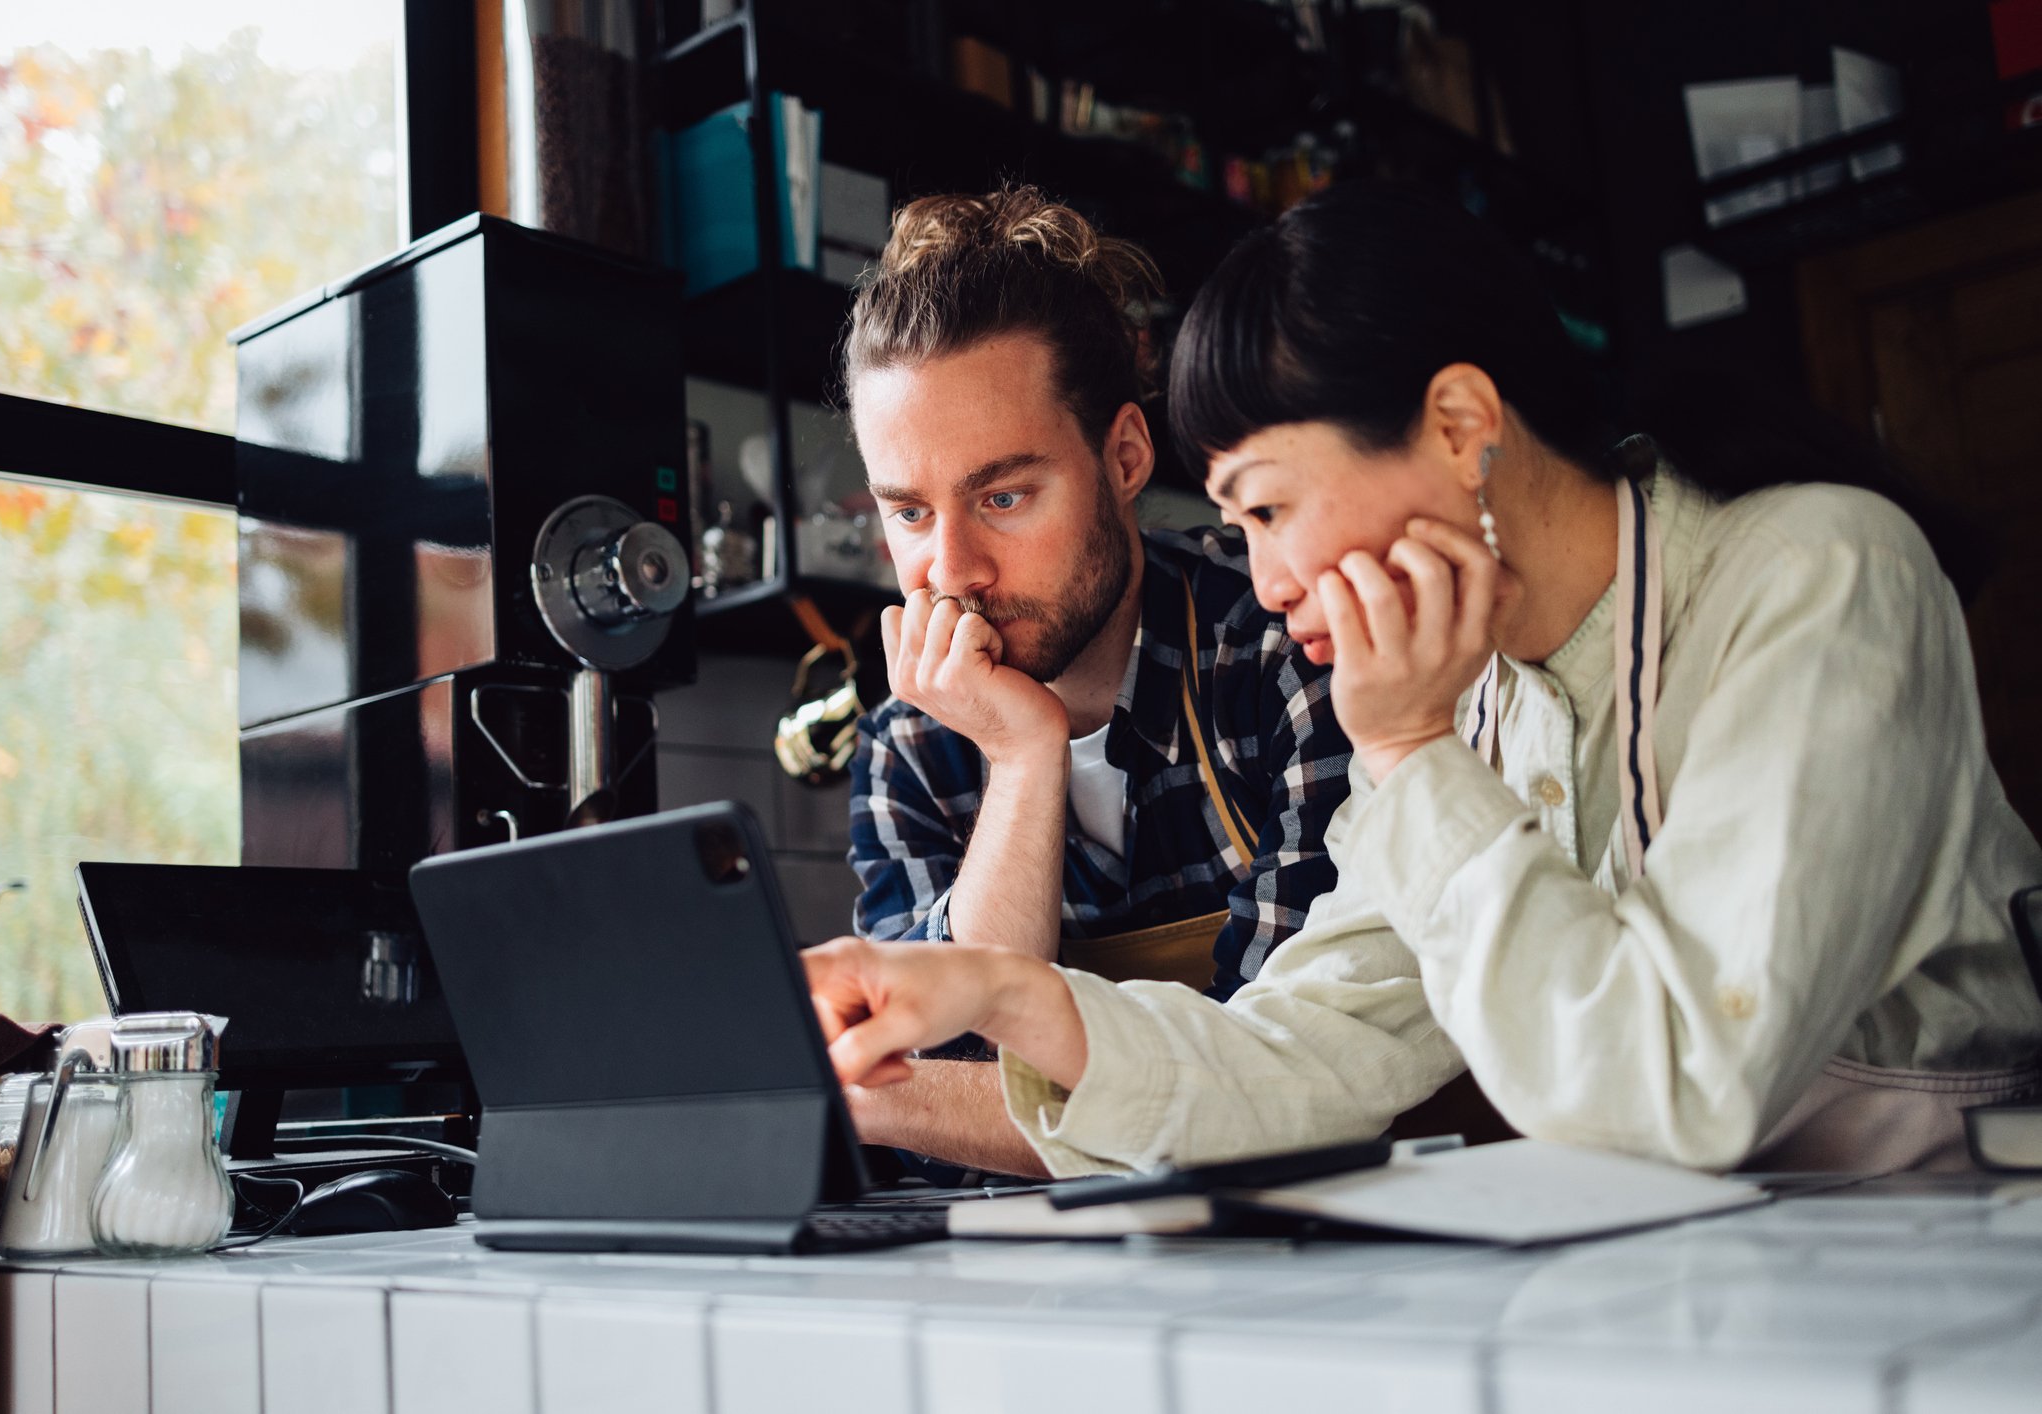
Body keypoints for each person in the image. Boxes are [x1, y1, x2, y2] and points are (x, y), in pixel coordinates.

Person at [806, 182, 2042, 1176]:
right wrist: (992, 988)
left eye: (1273, 508)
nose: (1271, 582)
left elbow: (1686, 1088)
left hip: (1950, 1239)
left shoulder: (1817, 573)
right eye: (1242, 532)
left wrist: (1405, 752)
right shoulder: (1479, 689)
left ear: (1457, 426)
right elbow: (1303, 1055)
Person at [839, 188, 1353, 1177]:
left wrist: (903, 1103)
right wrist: (1022, 758)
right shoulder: (906, 743)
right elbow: (952, 1082)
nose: (950, 569)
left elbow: (1276, 1088)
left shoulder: (1284, 646)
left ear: (1122, 455)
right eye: (908, 513)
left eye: (1002, 495)